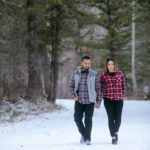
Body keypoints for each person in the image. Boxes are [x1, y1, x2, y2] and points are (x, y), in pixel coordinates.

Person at [69, 56, 102, 145]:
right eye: (85, 63)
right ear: (81, 63)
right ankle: (84, 134)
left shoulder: (94, 74)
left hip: (90, 101)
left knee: (88, 120)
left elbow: (98, 89)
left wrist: (98, 102)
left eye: (89, 63)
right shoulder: (75, 73)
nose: (87, 65)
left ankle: (88, 138)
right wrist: (74, 96)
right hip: (79, 101)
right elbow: (71, 86)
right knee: (77, 119)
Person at [100, 58, 126, 145]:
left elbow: (123, 85)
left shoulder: (120, 74)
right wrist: (103, 95)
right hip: (108, 99)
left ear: (115, 65)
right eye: (109, 64)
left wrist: (122, 95)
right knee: (111, 118)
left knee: (118, 119)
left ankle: (116, 132)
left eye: (112, 64)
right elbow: (101, 86)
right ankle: (113, 137)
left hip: (119, 99)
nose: (111, 66)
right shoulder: (104, 75)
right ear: (106, 66)